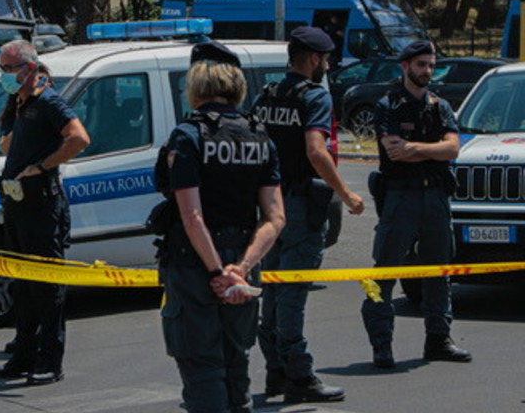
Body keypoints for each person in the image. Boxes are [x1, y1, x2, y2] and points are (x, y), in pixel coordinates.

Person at [157, 40, 286, 413]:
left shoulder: (188, 135)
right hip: (243, 259)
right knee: (236, 362)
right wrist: (240, 270)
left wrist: (217, 272)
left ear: (195, 86)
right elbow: (275, 217)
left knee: (201, 365)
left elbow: (192, 216)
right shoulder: (260, 135)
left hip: (195, 262)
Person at [253, 26, 363, 403]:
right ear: (314, 59)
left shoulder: (268, 94)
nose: (327, 66)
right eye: (326, 60)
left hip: (269, 205)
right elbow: (316, 152)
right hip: (299, 204)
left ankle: (276, 371)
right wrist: (346, 194)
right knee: (293, 292)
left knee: (272, 288)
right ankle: (299, 375)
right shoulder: (315, 95)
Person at [361, 39, 471, 369]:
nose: (427, 71)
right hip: (400, 197)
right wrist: (432, 149)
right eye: (421, 64)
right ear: (405, 66)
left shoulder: (440, 106)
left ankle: (439, 339)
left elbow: (453, 149)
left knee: (439, 272)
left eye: (431, 65)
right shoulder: (388, 105)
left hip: (435, 197)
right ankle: (382, 344)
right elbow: (395, 151)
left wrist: (415, 148)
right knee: (385, 272)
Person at [0, 40, 89, 385]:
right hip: (17, 204)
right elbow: (9, 145)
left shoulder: (48, 100)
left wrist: (43, 166)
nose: (3, 74)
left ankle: (50, 360)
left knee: (46, 287)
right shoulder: (19, 101)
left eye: (8, 68)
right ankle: (24, 355)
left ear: (29, 68)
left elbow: (79, 138)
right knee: (23, 284)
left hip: (42, 205)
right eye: (1, 68)